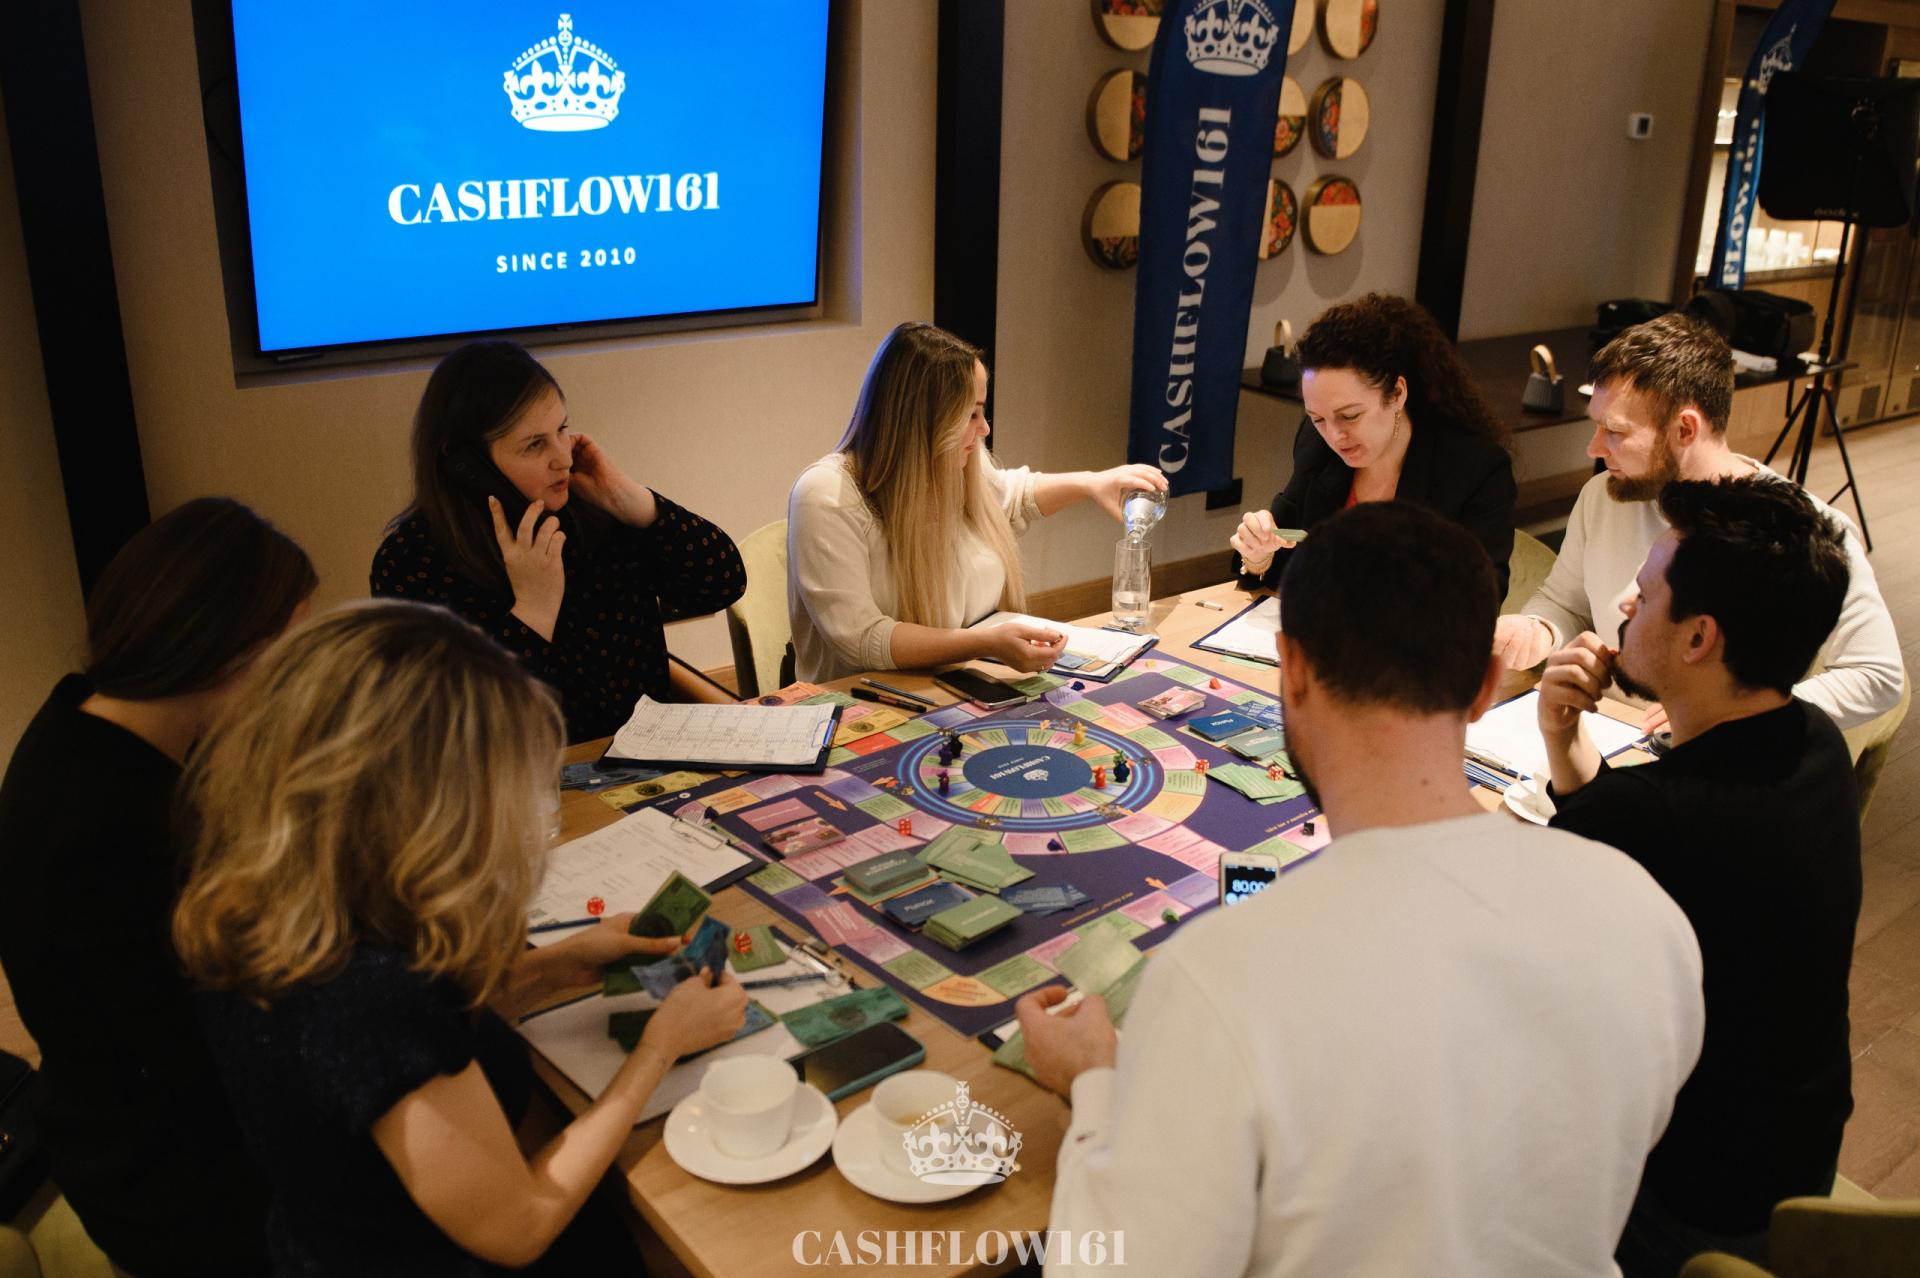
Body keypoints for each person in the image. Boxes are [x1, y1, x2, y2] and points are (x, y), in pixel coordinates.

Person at [1017, 502, 1704, 1277]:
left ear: (1292, 669)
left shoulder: (1219, 978)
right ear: (1485, 686)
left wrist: (1096, 1086)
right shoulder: (1650, 916)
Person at [176, 600, 749, 1277]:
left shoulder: (273, 900)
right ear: (424, 812)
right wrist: (660, 1047)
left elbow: (394, 1054)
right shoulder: (362, 998)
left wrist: (558, 965)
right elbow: (520, 1225)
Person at [1536, 477, 1860, 1276]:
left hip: (1690, 1201)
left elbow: (1518, 973)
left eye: (1646, 595)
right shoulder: (1816, 742)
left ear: (1698, 639)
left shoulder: (1655, 815)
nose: (1624, 604)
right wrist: (1562, 738)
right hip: (1796, 1157)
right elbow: (1631, 831)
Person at [0, 497, 316, 1277]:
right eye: (289, 653)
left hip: (142, 1122)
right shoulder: (104, 824)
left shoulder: (86, 717)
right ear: (224, 648)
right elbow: (205, 1054)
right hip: (175, 1186)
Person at [1493, 312, 1900, 733]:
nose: (1594, 448)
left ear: (1685, 428)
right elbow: (1565, 602)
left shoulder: (1801, 531)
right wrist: (1538, 629)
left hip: (1725, 751)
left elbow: (1877, 675)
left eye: (1615, 431)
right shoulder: (1605, 496)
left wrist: (1727, 712)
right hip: (1608, 727)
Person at [372, 339, 746, 743]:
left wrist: (632, 501)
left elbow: (721, 584)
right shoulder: (412, 560)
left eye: (562, 430)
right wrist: (532, 612)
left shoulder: (590, 512)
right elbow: (458, 728)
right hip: (527, 774)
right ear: (466, 464)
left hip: (646, 759)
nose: (564, 458)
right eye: (535, 444)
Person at [787, 321, 1168, 683]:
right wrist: (984, 643)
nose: (984, 428)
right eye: (970, 414)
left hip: (953, 680)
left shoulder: (958, 465)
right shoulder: (826, 495)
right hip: (861, 702)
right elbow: (862, 639)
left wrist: (1091, 482)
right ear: (923, 421)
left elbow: (1013, 499)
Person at [1230, 293, 1516, 596]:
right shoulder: (1316, 446)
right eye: (1318, 418)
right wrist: (1258, 556)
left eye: (1350, 416)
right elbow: (1284, 554)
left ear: (1397, 394)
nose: (1334, 435)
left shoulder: (1473, 469)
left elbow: (1482, 596)